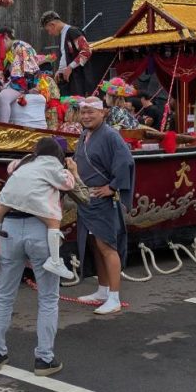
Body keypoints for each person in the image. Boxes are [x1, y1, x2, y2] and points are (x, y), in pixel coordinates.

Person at [0, 193, 65, 379]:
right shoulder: (53, 169)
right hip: (41, 227)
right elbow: (80, 194)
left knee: (3, 296)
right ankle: (44, 358)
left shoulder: (16, 169)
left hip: (10, 226)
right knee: (48, 298)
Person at [72, 97, 134, 316]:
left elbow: (125, 161)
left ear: (103, 113)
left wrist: (113, 187)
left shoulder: (110, 135)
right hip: (86, 198)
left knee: (107, 246)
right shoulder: (84, 135)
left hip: (101, 199)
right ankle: (102, 290)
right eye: (83, 113)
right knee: (95, 246)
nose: (86, 116)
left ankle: (114, 297)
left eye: (91, 112)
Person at [0, 137, 77, 280]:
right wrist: (71, 173)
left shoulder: (26, 160)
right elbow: (67, 184)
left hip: (10, 198)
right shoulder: (53, 164)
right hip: (33, 206)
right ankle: (55, 261)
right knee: (54, 222)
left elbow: (10, 167)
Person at [41, 10, 94, 98]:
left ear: (52, 25)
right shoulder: (63, 34)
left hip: (78, 79)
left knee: (77, 106)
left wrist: (70, 67)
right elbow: (64, 55)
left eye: (48, 30)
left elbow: (87, 51)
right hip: (70, 79)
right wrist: (60, 70)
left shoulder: (73, 31)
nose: (49, 33)